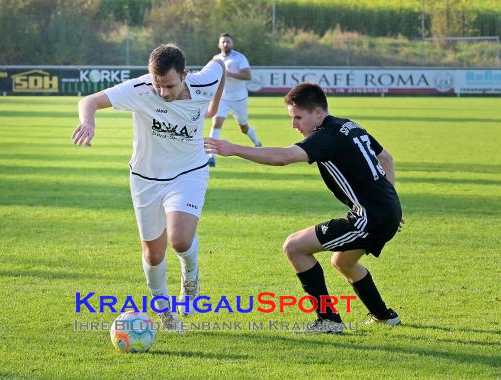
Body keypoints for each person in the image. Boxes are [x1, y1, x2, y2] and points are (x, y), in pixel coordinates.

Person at [205, 82, 403, 333]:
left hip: (371, 218)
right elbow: (386, 158)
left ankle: (329, 321)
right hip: (385, 211)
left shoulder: (326, 136)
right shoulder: (348, 125)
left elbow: (284, 157)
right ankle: (385, 316)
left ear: (318, 113)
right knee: (343, 262)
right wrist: (391, 204)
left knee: (294, 247)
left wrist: (233, 149)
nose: (294, 124)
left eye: (298, 117)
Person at [72, 44, 226, 332]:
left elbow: (220, 63)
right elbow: (89, 101)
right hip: (145, 179)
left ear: (185, 74)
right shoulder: (140, 88)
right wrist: (88, 123)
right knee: (153, 255)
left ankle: (190, 276)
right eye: (157, 84)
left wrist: (215, 104)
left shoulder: (204, 82)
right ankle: (165, 312)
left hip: (188, 172)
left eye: (169, 85)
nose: (163, 92)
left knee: (180, 240)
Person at [208, 33, 262, 167]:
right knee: (216, 123)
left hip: (239, 98)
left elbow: (248, 75)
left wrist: (228, 73)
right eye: (223, 42)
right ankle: (211, 156)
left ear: (232, 44)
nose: (226, 44)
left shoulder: (239, 58)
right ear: (219, 44)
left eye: (228, 42)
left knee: (243, 127)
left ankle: (257, 143)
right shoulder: (216, 59)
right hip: (222, 97)